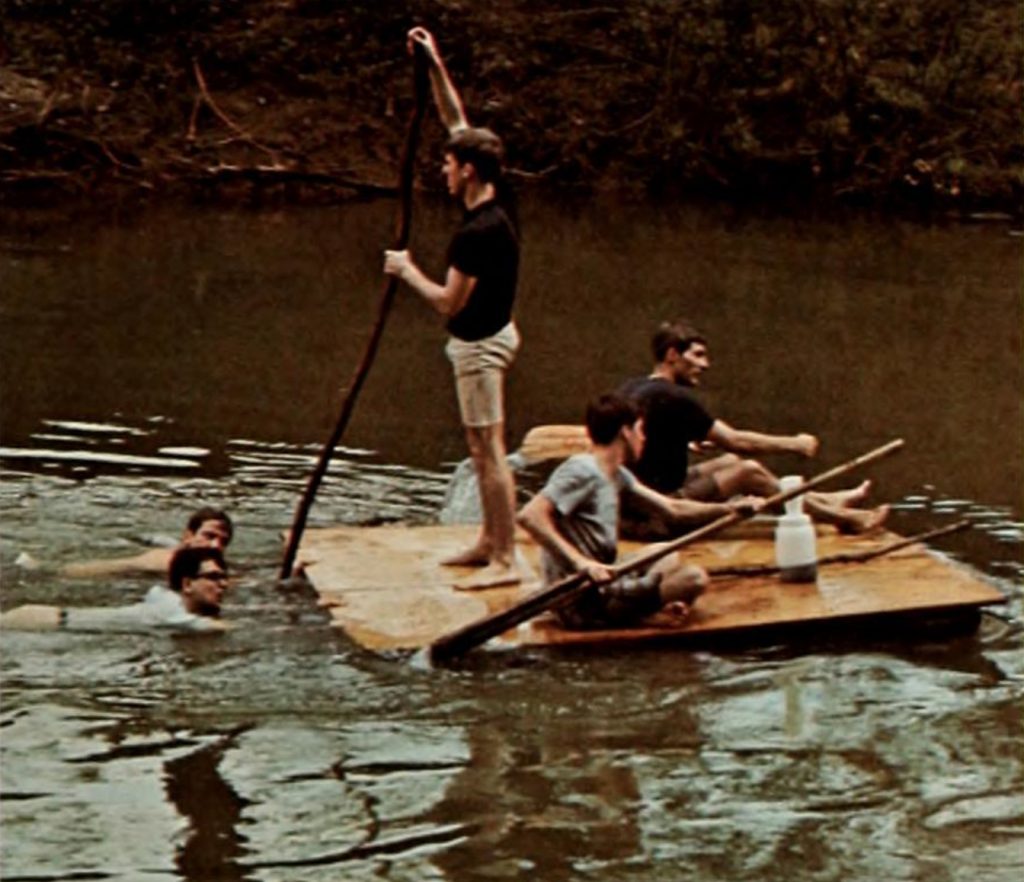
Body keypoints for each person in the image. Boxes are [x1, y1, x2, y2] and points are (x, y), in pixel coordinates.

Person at [384, 27, 522, 591]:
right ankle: (490, 539)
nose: (441, 169)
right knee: (479, 446)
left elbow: (446, 302)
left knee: (489, 451)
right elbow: (455, 118)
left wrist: (405, 270)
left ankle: (506, 557)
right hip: (491, 336)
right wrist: (434, 62)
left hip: (480, 348)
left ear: (467, 171)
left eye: (447, 164)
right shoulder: (499, 191)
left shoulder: (479, 233)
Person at [618, 319, 890, 538]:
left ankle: (826, 501)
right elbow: (737, 440)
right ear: (672, 355)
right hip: (658, 513)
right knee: (748, 471)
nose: (704, 365)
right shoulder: (675, 397)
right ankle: (848, 519)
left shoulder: (634, 387)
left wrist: (682, 441)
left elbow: (648, 436)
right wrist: (795, 444)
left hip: (634, 504)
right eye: (697, 355)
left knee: (728, 462)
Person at [517, 393, 759, 629]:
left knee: (665, 553)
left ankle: (639, 609)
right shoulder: (582, 470)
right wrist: (581, 563)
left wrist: (730, 509)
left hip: (604, 579)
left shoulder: (617, 474)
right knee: (693, 579)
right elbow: (530, 516)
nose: (643, 439)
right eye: (641, 430)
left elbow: (673, 509)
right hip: (580, 597)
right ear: (626, 431)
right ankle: (639, 617)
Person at [1, 546, 231, 633]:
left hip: (48, 616)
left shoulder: (165, 597)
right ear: (187, 584)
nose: (223, 584)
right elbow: (212, 627)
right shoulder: (169, 611)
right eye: (213, 577)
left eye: (224, 577)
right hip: (43, 621)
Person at [60, 507, 234, 578]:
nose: (216, 546)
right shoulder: (163, 561)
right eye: (209, 536)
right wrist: (60, 571)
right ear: (188, 535)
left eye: (223, 541)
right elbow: (114, 566)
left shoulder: (216, 566)